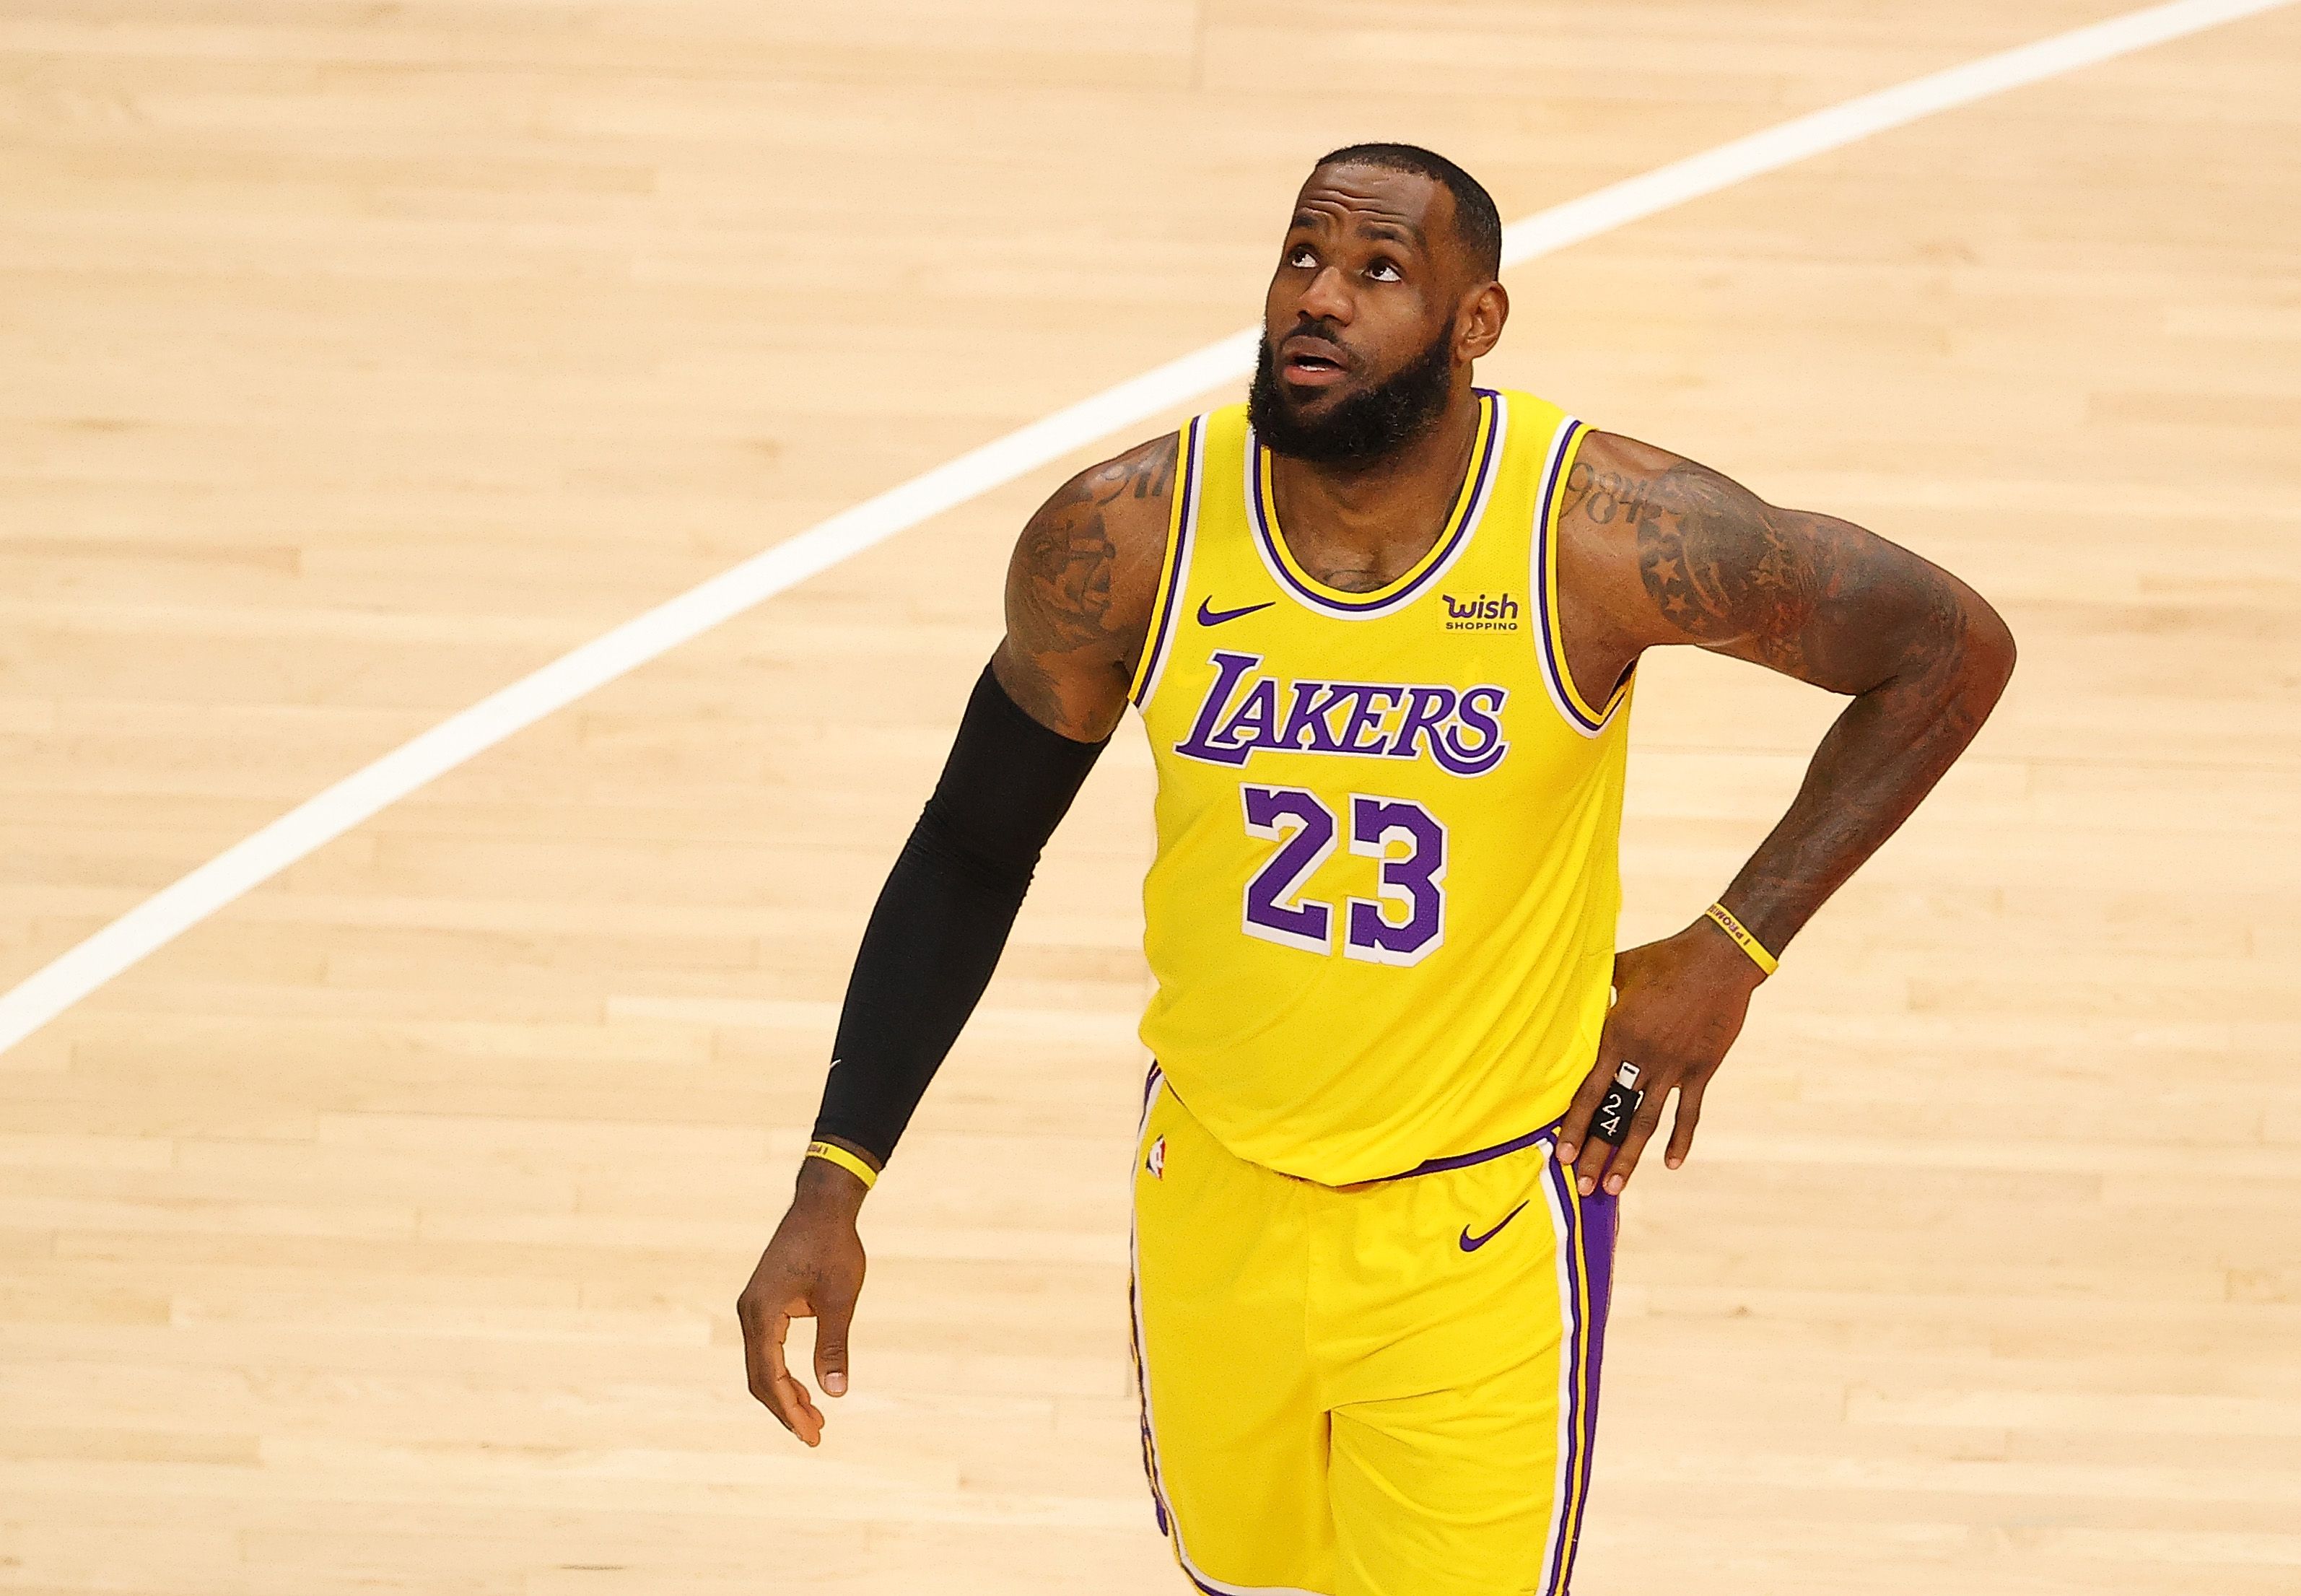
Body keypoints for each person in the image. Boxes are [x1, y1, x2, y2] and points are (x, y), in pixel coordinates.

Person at [738, 141, 2015, 1595]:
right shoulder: (1128, 535)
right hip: (1213, 1187)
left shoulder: (1601, 533)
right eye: (1300, 257)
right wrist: (834, 1175)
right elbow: (973, 845)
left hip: (1474, 1222)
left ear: (1476, 324)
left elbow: (1946, 650)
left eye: (1378, 270)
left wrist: (1731, 946)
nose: (1318, 300)